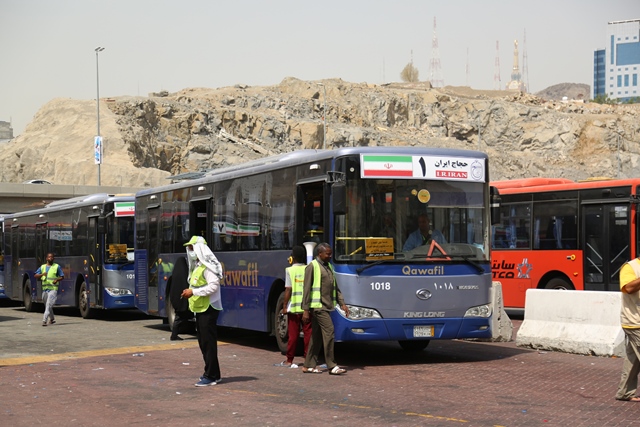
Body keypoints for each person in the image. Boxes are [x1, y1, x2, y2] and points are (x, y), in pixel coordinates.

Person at [180, 236, 224, 387]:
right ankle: (213, 373)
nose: (190, 251)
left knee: (208, 343)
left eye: (192, 248)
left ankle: (211, 375)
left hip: (208, 309)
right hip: (201, 309)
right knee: (204, 343)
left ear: (199, 249)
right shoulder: (199, 266)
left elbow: (213, 287)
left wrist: (193, 292)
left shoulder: (207, 267)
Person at [301, 242, 349, 375]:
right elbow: (306, 289)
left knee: (316, 337)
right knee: (329, 331)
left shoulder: (329, 267)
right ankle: (331, 365)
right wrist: (305, 310)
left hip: (327, 306)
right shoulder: (312, 267)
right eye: (327, 254)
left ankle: (308, 365)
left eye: (330, 253)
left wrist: (342, 303)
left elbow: (336, 288)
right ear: (319, 253)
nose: (330, 256)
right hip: (317, 307)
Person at [275, 246, 312, 368]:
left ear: (292, 258)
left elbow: (288, 290)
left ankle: (289, 360)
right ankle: (308, 358)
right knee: (308, 334)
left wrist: (285, 306)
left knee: (293, 335)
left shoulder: (290, 270)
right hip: (307, 308)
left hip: (295, 308)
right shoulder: (308, 268)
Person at [615, 256, 640, 401]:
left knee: (633, 359)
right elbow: (628, 288)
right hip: (635, 322)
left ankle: (625, 392)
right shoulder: (630, 267)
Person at [35, 253, 64, 327]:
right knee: (47, 305)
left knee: (48, 304)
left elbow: (62, 276)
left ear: (53, 259)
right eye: (49, 257)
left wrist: (57, 280)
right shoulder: (42, 267)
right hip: (45, 290)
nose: (50, 258)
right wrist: (42, 275)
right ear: (46, 258)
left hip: (53, 289)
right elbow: (35, 275)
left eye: (52, 257)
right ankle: (52, 319)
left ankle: (44, 320)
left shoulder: (57, 266)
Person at [168, 256, 193, 341]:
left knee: (179, 317)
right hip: (183, 300)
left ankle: (174, 335)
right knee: (179, 318)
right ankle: (174, 335)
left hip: (177, 300)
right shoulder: (184, 274)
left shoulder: (175, 275)